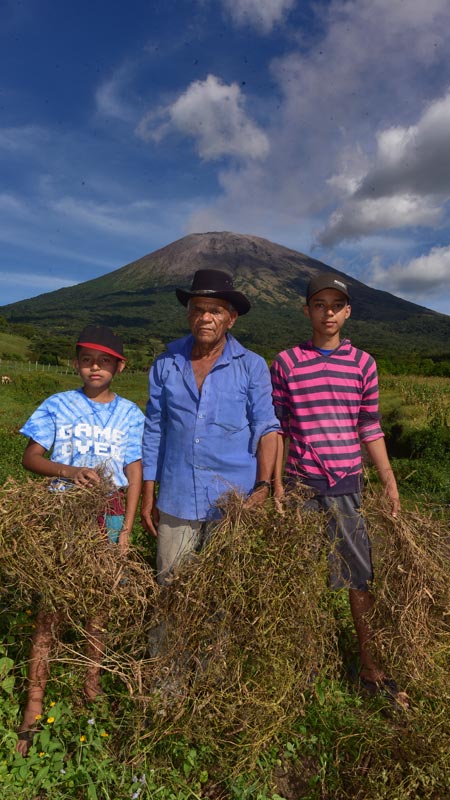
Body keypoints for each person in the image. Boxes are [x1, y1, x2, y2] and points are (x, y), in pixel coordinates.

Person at [271, 273, 408, 706]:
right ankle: (304, 665)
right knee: (300, 579)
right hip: (298, 486)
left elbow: (369, 426)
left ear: (347, 311)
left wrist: (388, 481)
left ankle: (370, 666)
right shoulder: (287, 362)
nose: (327, 312)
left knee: (359, 578)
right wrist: (274, 484)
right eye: (319, 304)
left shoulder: (363, 363)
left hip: (347, 484)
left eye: (336, 305)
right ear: (307, 310)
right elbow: (277, 429)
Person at [16, 324, 145, 755]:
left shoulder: (130, 414)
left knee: (99, 605)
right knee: (50, 608)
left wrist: (125, 531)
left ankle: (91, 689)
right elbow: (30, 457)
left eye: (105, 361)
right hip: (61, 516)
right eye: (88, 359)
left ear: (119, 367)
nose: (95, 367)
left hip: (107, 518)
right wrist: (69, 472)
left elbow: (135, 474)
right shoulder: (58, 404)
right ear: (76, 362)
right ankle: (33, 709)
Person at [141, 269, 280, 585]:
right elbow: (154, 429)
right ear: (188, 315)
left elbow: (266, 426)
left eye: (214, 311)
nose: (205, 317)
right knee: (171, 588)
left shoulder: (251, 365)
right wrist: (150, 491)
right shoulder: (166, 363)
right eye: (197, 309)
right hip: (177, 498)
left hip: (233, 502)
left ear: (231, 319)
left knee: (221, 593)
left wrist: (263, 485)